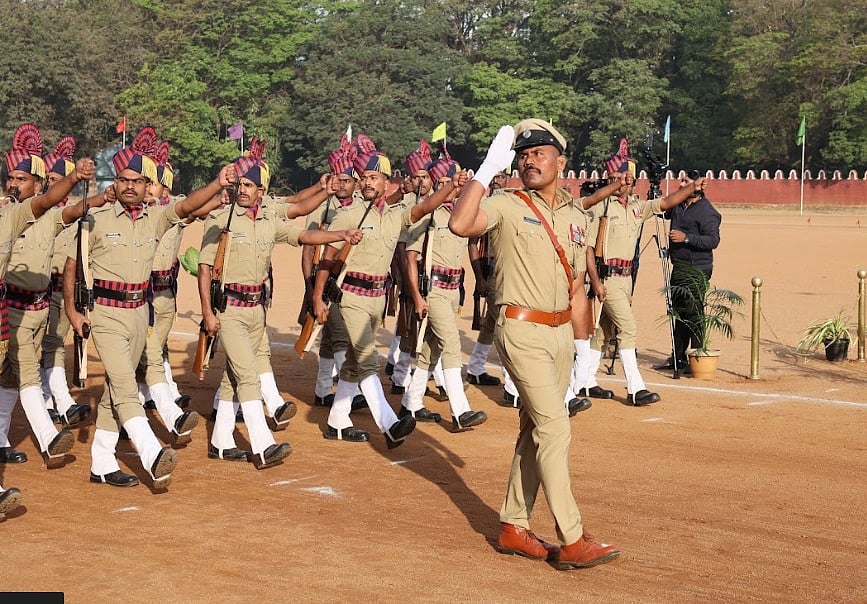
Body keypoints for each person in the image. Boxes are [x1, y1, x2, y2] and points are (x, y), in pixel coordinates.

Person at [449, 119, 621, 570]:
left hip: (560, 333)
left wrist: (582, 348)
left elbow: (577, 285)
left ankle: (513, 526)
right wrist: (487, 169)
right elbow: (460, 223)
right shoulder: (506, 204)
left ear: (560, 162)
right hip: (521, 331)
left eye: (539, 153)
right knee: (555, 427)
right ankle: (573, 538)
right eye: (523, 155)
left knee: (534, 428)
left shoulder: (576, 216)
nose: (529, 160)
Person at [64, 126, 230, 489]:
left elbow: (187, 206)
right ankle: (152, 453)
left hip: (142, 311)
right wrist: (73, 312)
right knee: (125, 386)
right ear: (116, 182)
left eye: (137, 181)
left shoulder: (156, 217)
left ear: (146, 185)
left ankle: (102, 462)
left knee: (114, 389)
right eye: (123, 180)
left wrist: (218, 184)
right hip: (105, 313)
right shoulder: (95, 219)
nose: (129, 186)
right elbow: (72, 266)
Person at [201, 138, 363, 466]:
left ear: (261, 191)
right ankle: (263, 444)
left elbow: (304, 235)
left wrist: (340, 235)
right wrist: (207, 312)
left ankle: (220, 441)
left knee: (233, 377)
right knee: (248, 375)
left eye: (249, 185)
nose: (242, 190)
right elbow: (205, 269)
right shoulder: (221, 219)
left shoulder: (268, 219)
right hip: (229, 309)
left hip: (255, 310)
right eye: (240, 184)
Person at [310, 135, 444, 448]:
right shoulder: (349, 214)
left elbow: (425, 207)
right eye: (365, 177)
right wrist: (317, 297)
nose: (368, 182)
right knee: (368, 360)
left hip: (377, 299)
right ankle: (390, 425)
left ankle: (337, 421)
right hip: (351, 298)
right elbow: (327, 259)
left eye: (374, 177)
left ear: (386, 183)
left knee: (354, 364)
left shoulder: (396, 215)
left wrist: (450, 187)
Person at [0, 131, 105, 469]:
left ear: (38, 183)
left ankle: (0, 439)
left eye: (21, 179)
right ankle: (49, 437)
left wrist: (102, 196)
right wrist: (73, 177)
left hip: (40, 309)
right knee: (28, 373)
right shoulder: (7, 213)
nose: (13, 184)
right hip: (11, 310)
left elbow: (71, 210)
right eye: (10, 178)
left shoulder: (46, 218)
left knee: (9, 379)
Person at [578, 140, 707, 406]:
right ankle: (635, 388)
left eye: (623, 178)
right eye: (613, 178)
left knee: (603, 330)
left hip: (626, 278)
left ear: (633, 181)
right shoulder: (602, 207)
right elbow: (589, 249)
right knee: (628, 327)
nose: (618, 182)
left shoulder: (638, 207)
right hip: (607, 278)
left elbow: (666, 202)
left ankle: (584, 381)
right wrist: (596, 281)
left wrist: (691, 188)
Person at [400, 156, 487, 431]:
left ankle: (411, 402)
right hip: (433, 289)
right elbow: (410, 257)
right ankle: (460, 410)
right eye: (446, 182)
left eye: (455, 182)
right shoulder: (428, 214)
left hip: (453, 290)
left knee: (433, 347)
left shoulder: (462, 215)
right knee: (450, 343)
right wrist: (417, 297)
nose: (453, 187)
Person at [134, 141, 200, 444]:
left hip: (165, 295)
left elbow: (196, 208)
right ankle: (169, 411)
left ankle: (140, 406)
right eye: (146, 182)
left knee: (154, 351)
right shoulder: (134, 214)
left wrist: (219, 194)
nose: (149, 189)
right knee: (147, 354)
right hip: (141, 297)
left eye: (154, 183)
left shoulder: (174, 212)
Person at [38, 136, 93, 425]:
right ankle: (64, 402)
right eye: (48, 178)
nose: (51, 183)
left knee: (54, 344)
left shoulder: (76, 211)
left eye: (55, 179)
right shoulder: (39, 209)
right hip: (43, 288)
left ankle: (48, 400)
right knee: (53, 344)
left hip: (66, 288)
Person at [654, 169, 721, 373]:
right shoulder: (679, 205)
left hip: (697, 268)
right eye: (681, 181)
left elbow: (713, 240)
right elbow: (661, 210)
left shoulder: (707, 211)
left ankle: (697, 357)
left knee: (694, 312)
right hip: (679, 266)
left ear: (697, 186)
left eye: (686, 182)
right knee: (679, 312)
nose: (681, 184)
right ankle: (678, 358)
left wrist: (687, 238)